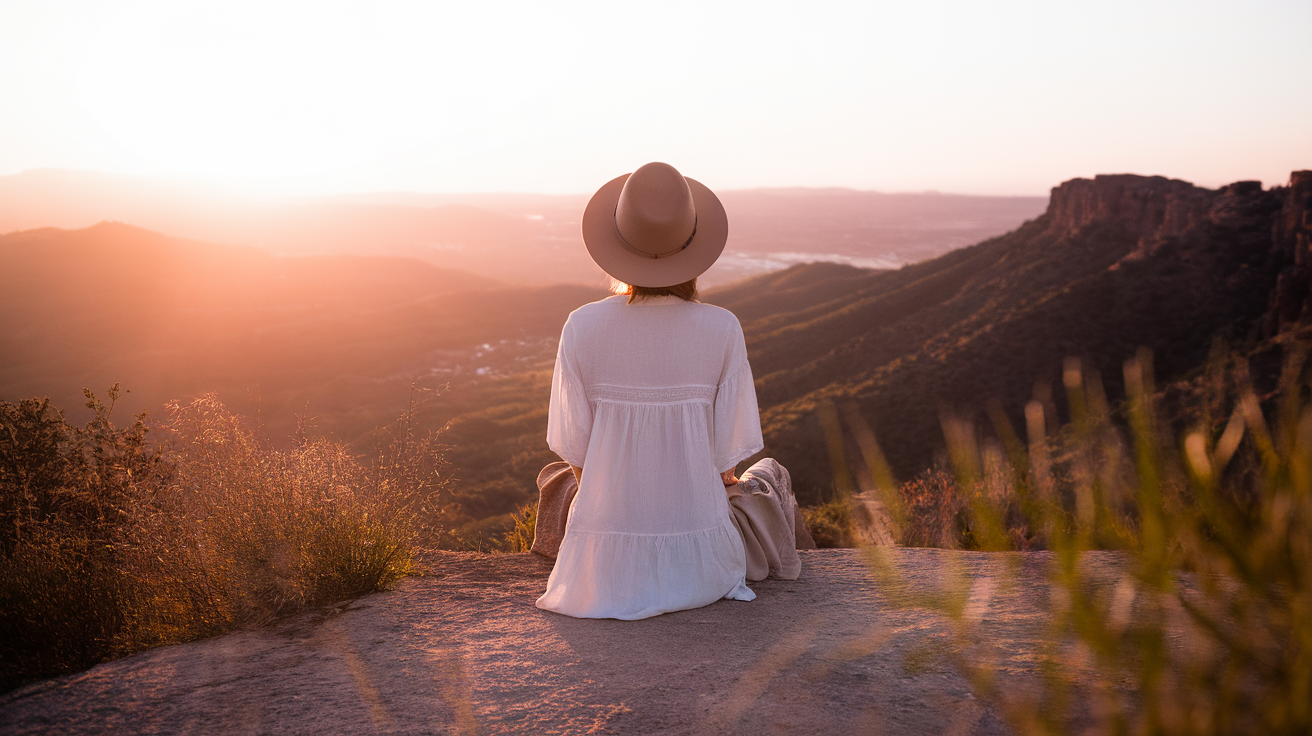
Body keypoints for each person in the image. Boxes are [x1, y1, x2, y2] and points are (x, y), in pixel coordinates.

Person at [534, 162, 813, 621]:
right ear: (693, 248)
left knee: (555, 476)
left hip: (601, 570)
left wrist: (615, 507)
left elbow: (575, 449)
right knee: (772, 474)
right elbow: (728, 461)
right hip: (703, 567)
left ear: (619, 243)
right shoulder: (721, 327)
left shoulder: (582, 325)